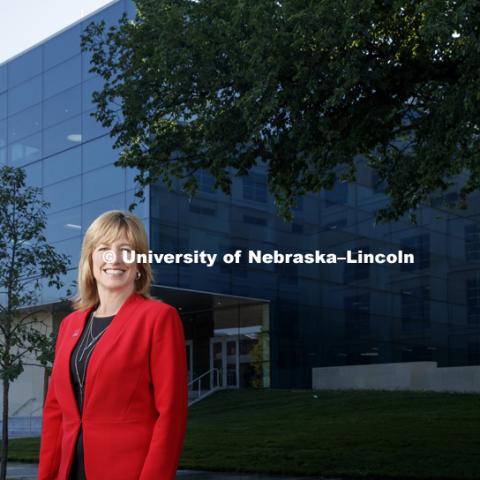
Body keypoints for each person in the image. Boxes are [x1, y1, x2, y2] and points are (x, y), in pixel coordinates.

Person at [38, 210, 189, 480]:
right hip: (69, 471)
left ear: (140, 263)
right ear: (90, 259)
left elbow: (171, 417)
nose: (114, 259)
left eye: (126, 250)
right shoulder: (70, 325)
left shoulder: (158, 318)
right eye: (104, 249)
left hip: (128, 471)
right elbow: (55, 411)